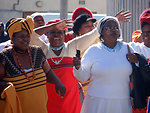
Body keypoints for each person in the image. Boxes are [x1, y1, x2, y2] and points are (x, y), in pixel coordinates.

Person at [30, 18, 100, 113]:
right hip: (49, 101)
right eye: (52, 32)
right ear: (47, 35)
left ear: (64, 34)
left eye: (60, 32)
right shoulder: (43, 50)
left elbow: (94, 34)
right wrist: (53, 25)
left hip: (72, 100)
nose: (56, 35)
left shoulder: (72, 46)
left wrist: (115, 20)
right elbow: (31, 35)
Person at [73, 16, 140, 113]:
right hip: (97, 103)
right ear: (101, 31)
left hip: (122, 104)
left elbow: (139, 69)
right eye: (109, 27)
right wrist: (78, 67)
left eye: (116, 27)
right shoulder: (93, 50)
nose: (113, 30)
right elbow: (83, 77)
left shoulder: (128, 48)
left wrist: (137, 61)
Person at [0, 16, 66, 113]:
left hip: (40, 108)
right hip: (17, 109)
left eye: (27, 36)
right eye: (21, 36)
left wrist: (58, 83)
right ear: (12, 38)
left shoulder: (37, 51)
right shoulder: (4, 57)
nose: (26, 39)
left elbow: (48, 72)